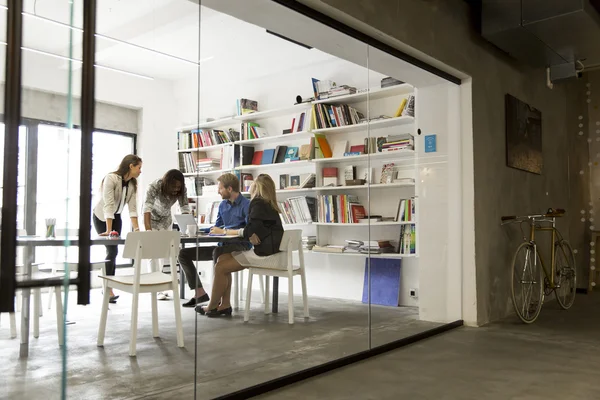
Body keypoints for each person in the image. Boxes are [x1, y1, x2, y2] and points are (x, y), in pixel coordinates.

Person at [197, 174, 284, 317]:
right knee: (223, 258)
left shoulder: (257, 203)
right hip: (273, 253)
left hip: (263, 256)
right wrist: (252, 233)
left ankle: (211, 306)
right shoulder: (270, 206)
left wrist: (248, 233)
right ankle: (225, 305)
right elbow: (257, 229)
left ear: (256, 187)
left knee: (220, 267)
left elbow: (251, 229)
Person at [178, 173, 251, 308]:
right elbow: (217, 227)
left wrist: (224, 232)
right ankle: (199, 292)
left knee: (218, 252)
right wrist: (200, 230)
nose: (218, 191)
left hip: (240, 247)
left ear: (229, 189)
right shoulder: (223, 205)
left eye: (220, 188)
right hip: (222, 246)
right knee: (183, 254)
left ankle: (216, 301)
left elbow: (248, 232)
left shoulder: (247, 205)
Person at [93, 154, 142, 303]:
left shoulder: (132, 184)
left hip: (117, 217)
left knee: (114, 252)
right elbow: (108, 204)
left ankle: (108, 287)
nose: (140, 171)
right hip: (102, 216)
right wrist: (109, 231)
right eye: (139, 167)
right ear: (131, 166)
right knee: (112, 250)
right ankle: (108, 288)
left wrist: (137, 230)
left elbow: (132, 208)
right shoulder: (111, 178)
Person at [143, 169, 190, 300]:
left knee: (163, 253)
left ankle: (160, 285)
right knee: (152, 254)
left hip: (166, 220)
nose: (176, 189)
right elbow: (146, 208)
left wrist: (187, 228)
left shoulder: (182, 189)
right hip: (150, 219)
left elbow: (184, 207)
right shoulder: (154, 186)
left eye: (178, 187)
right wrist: (148, 231)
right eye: (174, 186)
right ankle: (154, 287)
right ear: (167, 183)